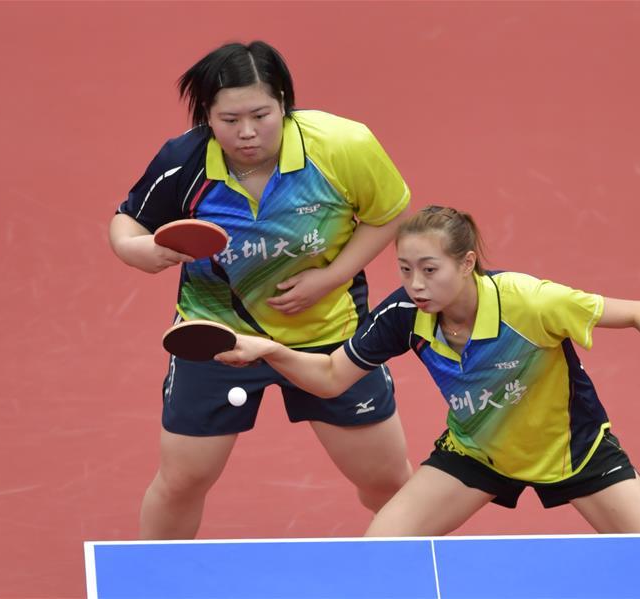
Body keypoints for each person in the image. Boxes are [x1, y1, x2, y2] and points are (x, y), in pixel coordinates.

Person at [215, 205, 640, 536]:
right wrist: (270, 351)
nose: (415, 284)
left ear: (466, 264)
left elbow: (637, 311)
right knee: (382, 549)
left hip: (575, 451)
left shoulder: (529, 303)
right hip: (477, 452)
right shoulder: (406, 315)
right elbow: (331, 376)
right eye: (405, 270)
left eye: (429, 270)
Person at [108, 41, 413, 539]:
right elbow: (126, 223)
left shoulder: (342, 146)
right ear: (207, 115)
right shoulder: (183, 162)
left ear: (285, 102)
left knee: (386, 481)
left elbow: (388, 214)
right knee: (183, 479)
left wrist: (330, 277)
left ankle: (412, 577)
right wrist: (140, 252)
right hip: (214, 338)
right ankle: (155, 583)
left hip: (327, 336)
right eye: (229, 120)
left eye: (261, 114)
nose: (247, 133)